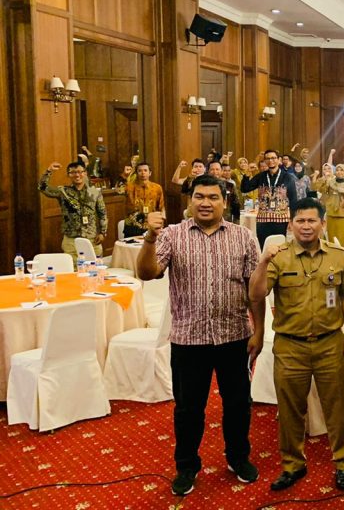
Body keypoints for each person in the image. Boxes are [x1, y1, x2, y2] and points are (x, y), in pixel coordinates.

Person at [135, 175, 263, 496]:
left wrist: (259, 332)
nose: (206, 202)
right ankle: (187, 466)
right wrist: (150, 238)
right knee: (188, 409)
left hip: (234, 336)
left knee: (238, 405)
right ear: (190, 200)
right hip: (188, 339)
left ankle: (237, 458)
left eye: (213, 197)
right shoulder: (171, 236)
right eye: (200, 196)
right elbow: (147, 273)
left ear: (225, 201)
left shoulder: (244, 238)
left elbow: (254, 293)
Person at [249, 198, 344, 492]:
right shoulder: (279, 256)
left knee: (337, 407)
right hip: (290, 347)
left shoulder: (338, 255)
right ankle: (292, 465)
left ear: (323, 224)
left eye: (312, 221)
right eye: (301, 221)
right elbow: (256, 294)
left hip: (328, 344)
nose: (306, 226)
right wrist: (262, 261)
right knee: (289, 410)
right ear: (290, 224)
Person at [40, 160, 107, 256]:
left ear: (85, 173)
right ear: (68, 175)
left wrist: (103, 232)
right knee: (73, 268)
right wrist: (48, 171)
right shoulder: (63, 192)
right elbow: (42, 188)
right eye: (73, 172)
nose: (77, 175)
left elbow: (102, 213)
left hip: (92, 238)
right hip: (71, 239)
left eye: (80, 172)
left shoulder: (95, 192)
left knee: (94, 268)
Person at [240, 149, 299, 248]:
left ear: (278, 160)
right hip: (263, 221)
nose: (270, 160)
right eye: (267, 158)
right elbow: (245, 188)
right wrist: (247, 173)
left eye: (273, 158)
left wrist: (292, 220)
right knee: (264, 247)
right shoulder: (261, 176)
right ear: (265, 161)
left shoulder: (287, 177)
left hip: (281, 220)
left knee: (280, 248)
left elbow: (293, 200)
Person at [314, 163, 344, 250]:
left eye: (341, 170)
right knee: (332, 240)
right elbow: (320, 190)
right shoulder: (330, 182)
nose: (339, 172)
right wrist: (325, 181)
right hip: (332, 215)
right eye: (337, 170)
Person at [121, 162, 165, 238]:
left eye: (145, 170)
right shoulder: (130, 187)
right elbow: (118, 190)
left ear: (150, 173)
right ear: (136, 173)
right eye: (140, 171)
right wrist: (124, 175)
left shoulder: (157, 188)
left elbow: (161, 207)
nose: (143, 173)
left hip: (151, 226)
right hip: (132, 227)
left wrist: (161, 225)